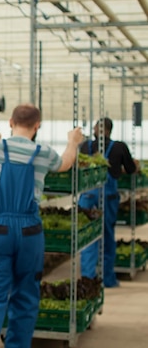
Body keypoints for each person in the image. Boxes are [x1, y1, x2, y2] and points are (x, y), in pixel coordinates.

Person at [0, 104, 83, 348]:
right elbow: (65, 163)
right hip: (29, 231)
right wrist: (73, 141)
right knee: (26, 293)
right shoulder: (43, 153)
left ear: (10, 122)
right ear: (37, 126)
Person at [78, 117, 140, 288]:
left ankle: (88, 279)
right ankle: (107, 279)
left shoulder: (84, 146)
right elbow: (130, 169)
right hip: (108, 197)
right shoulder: (119, 147)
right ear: (110, 130)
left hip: (87, 198)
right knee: (107, 237)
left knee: (88, 238)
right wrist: (134, 166)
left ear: (95, 129)